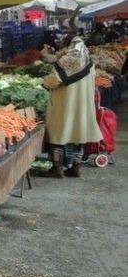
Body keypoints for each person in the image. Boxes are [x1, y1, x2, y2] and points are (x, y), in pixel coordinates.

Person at [40, 36, 102, 178]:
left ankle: (57, 169)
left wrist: (44, 82)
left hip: (65, 104)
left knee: (57, 134)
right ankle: (75, 167)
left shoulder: (66, 61)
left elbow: (54, 80)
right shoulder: (89, 62)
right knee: (78, 135)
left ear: (69, 46)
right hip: (83, 105)